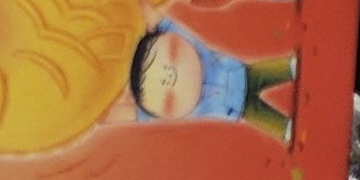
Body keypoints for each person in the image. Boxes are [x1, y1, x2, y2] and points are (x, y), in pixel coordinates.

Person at [116, 21, 297, 142]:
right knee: (267, 119)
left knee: (269, 72)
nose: (170, 77)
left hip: (242, 73)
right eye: (168, 100)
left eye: (173, 54)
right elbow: (133, 114)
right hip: (237, 108)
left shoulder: (195, 50)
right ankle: (285, 128)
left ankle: (289, 68)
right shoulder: (183, 108)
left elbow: (161, 21)